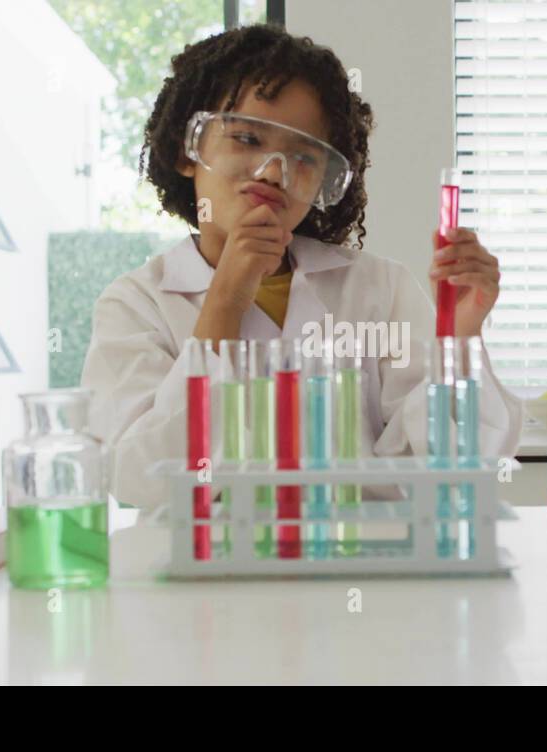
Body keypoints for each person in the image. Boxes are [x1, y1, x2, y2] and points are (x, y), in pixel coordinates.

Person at [80, 24, 521, 510]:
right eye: (246, 138)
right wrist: (223, 304)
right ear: (188, 148)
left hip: (359, 569)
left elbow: (454, 472)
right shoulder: (137, 305)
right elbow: (140, 481)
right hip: (208, 580)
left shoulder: (380, 288)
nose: (273, 172)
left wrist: (457, 340)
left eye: (304, 158)